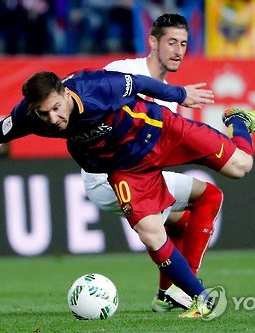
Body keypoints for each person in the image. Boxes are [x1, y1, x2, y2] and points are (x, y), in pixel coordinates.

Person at [0, 69, 255, 318]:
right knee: (150, 231)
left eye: (56, 108)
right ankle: (202, 298)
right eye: (43, 114)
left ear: (65, 94)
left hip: (160, 131)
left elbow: (141, 84)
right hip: (127, 169)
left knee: (241, 168)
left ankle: (238, 121)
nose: (53, 119)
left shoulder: (96, 87)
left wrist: (180, 93)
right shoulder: (28, 115)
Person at [82, 13, 224, 313]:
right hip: (108, 177)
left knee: (183, 225)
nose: (178, 50)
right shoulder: (123, 71)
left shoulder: (172, 98)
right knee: (210, 196)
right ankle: (184, 290)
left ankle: (166, 294)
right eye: (171, 42)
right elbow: (79, 101)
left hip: (129, 176)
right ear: (152, 42)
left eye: (183, 43)